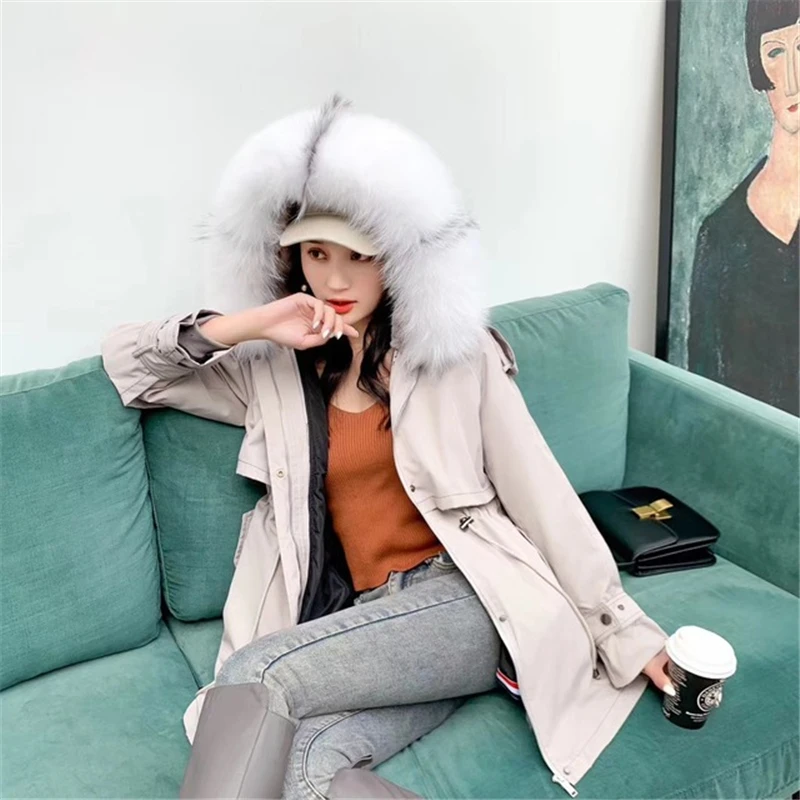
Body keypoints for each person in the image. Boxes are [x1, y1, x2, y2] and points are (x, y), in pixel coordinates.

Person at [101, 95, 674, 800]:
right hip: (369, 624)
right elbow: (130, 367)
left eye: (359, 257)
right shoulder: (275, 374)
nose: (336, 280)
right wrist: (253, 323)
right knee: (304, 772)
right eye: (316, 255)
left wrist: (625, 630)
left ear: (396, 259)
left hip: (467, 599)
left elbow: (544, 498)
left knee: (254, 676)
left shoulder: (455, 357)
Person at [687, 0, 799, 415]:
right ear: (758, 67)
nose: (792, 77)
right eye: (775, 52)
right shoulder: (721, 234)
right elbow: (702, 392)